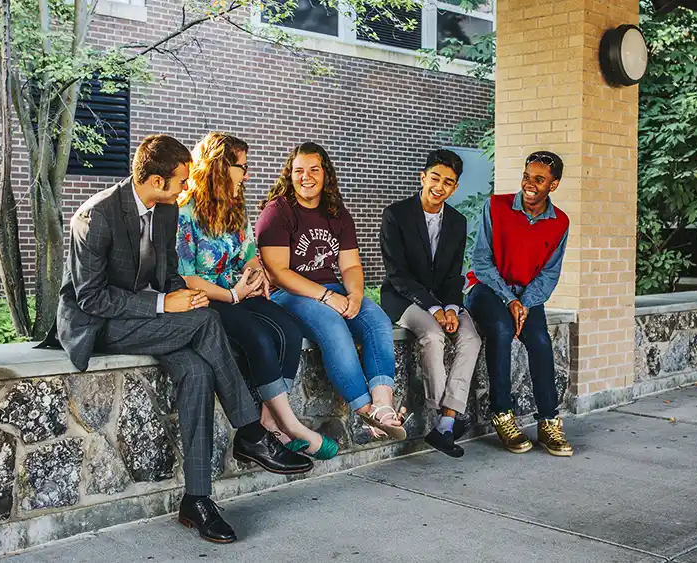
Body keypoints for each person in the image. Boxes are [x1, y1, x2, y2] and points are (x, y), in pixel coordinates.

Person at [54, 134, 312, 544]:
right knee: (209, 322)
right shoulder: (95, 215)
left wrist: (183, 297)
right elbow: (91, 297)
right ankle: (251, 431)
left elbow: (170, 273)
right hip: (101, 324)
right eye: (179, 181)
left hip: (150, 318)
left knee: (196, 372)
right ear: (157, 181)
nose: (186, 188)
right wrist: (163, 306)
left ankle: (197, 500)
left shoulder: (166, 209)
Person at [176, 132, 337, 460]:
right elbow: (186, 276)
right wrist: (232, 294)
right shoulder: (185, 213)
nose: (247, 174)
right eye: (242, 167)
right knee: (259, 338)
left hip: (240, 292)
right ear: (219, 168)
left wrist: (257, 272)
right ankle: (292, 426)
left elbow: (248, 253)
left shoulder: (235, 206)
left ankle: (268, 423)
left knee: (290, 331)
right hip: (207, 300)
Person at [256, 142, 408, 440]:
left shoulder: (337, 213)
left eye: (314, 169)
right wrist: (327, 297)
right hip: (288, 293)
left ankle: (383, 405)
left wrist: (354, 295)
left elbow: (350, 266)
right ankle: (367, 413)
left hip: (331, 288)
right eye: (298, 171)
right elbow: (278, 272)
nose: (306, 177)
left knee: (376, 320)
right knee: (333, 324)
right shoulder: (278, 211)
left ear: (326, 174)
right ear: (290, 175)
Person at [464, 150, 573, 457]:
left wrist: (524, 302)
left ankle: (549, 422)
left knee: (539, 339)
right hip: (486, 288)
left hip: (526, 297)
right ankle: (502, 415)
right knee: (499, 328)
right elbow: (482, 262)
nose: (530, 183)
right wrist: (510, 300)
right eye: (527, 176)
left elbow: (549, 274)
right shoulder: (496, 206)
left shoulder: (560, 222)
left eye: (540, 179)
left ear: (553, 185)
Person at [380, 149, 481, 458]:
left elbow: (453, 275)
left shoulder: (457, 222)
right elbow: (398, 274)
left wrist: (451, 307)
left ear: (455, 188)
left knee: (471, 337)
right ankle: (439, 416)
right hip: (403, 299)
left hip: (443, 300)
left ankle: (447, 421)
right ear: (422, 177)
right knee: (434, 336)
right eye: (435, 178)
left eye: (448, 182)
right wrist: (436, 310)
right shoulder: (396, 214)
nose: (440, 186)